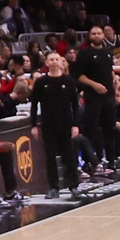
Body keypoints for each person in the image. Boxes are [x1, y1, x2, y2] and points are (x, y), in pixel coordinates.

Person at [33, 53, 82, 193]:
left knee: (70, 155)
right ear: (46, 63)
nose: (54, 62)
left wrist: (75, 124)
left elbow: (75, 105)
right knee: (50, 157)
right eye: (51, 60)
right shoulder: (41, 82)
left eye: (56, 59)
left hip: (66, 124)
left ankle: (73, 185)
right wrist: (34, 125)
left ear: (61, 62)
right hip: (48, 125)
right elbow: (34, 104)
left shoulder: (68, 81)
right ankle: (53, 187)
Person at [73, 26, 120, 171]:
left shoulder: (107, 52)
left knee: (110, 128)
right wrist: (94, 85)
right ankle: (90, 161)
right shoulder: (84, 53)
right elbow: (79, 76)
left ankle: (111, 160)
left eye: (99, 33)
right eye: (93, 33)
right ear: (89, 36)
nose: (97, 36)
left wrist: (114, 79)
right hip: (93, 96)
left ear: (103, 35)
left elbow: (109, 70)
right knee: (91, 129)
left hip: (109, 96)